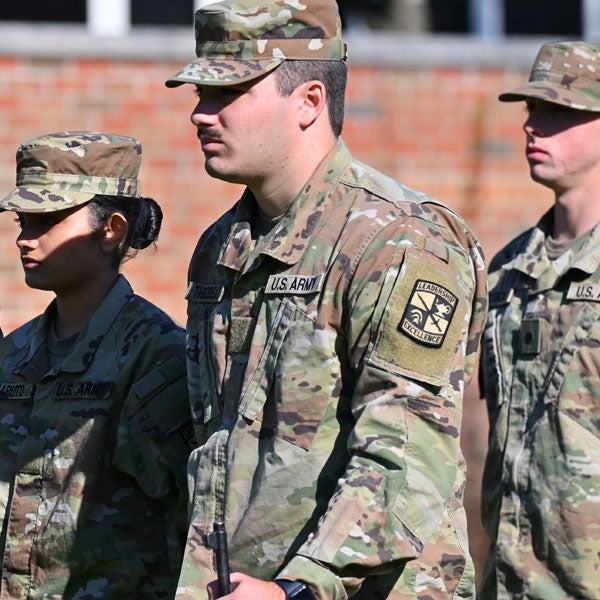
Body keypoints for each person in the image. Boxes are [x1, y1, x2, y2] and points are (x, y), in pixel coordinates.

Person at [165, 1, 487, 598]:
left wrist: (302, 587)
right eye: (200, 94)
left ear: (310, 101)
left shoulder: (399, 239)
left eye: (225, 93)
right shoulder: (220, 250)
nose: (200, 114)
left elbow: (408, 449)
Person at [0, 131, 194, 599]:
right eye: (24, 221)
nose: (26, 240)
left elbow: (190, 514)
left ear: (112, 231)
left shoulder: (158, 355)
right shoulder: (15, 353)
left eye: (47, 222)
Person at [478, 41, 600, 599]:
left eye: (558, 112)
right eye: (531, 110)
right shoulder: (506, 271)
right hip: (508, 581)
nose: (533, 127)